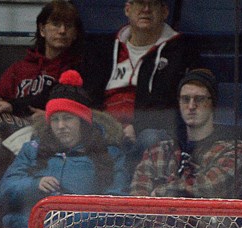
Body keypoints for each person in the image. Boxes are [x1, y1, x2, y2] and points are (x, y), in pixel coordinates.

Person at [0, 70, 130, 228]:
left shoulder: (109, 154)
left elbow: (116, 205)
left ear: (83, 121)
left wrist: (71, 223)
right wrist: (34, 185)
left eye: (68, 118)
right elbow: (3, 192)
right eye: (55, 119)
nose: (60, 126)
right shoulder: (32, 149)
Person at [81, 0, 198, 170]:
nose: (146, 9)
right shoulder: (105, 49)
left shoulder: (181, 51)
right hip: (106, 127)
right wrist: (108, 126)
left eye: (153, 4)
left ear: (164, 11)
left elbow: (171, 103)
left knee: (151, 139)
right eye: (139, 3)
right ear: (128, 9)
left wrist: (136, 126)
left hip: (149, 130)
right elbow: (90, 96)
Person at [129, 68, 242, 201]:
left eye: (199, 99)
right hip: (157, 222)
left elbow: (209, 187)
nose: (191, 106)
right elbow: (137, 200)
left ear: (212, 104)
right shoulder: (158, 150)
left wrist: (160, 192)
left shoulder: (234, 150)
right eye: (185, 99)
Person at [0, 0, 85, 121]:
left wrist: (49, 117)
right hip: (14, 132)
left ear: (75, 33)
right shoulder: (19, 68)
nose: (62, 31)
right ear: (42, 29)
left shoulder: (79, 69)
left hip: (52, 133)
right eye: (55, 24)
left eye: (68, 26)